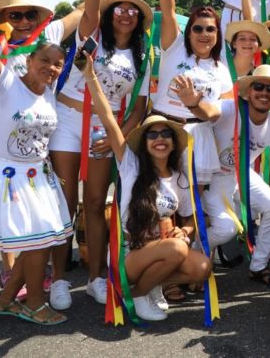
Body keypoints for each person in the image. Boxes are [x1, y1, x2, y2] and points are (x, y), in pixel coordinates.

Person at [49, 0, 152, 310]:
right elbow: (90, 11)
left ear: (139, 19)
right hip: (66, 119)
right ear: (110, 14)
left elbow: (138, 108)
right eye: (119, 8)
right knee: (64, 200)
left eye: (133, 10)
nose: (125, 14)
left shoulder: (143, 56)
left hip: (103, 128)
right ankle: (59, 278)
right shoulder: (92, 35)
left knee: (95, 202)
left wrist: (117, 137)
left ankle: (95, 278)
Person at [81, 56, 213, 321]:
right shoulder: (131, 165)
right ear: (144, 142)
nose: (159, 139)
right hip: (129, 255)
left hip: (163, 250)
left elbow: (192, 218)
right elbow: (108, 119)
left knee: (202, 267)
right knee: (176, 250)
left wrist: (185, 231)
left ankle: (149, 286)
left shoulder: (179, 177)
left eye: (165, 134)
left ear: (173, 142)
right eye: (152, 134)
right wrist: (90, 77)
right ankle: (139, 294)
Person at [184, 65, 270, 287]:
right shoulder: (229, 108)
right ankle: (190, 255)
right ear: (248, 91)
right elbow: (207, 112)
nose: (264, 92)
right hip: (210, 178)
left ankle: (258, 266)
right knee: (226, 229)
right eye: (258, 86)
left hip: (239, 175)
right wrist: (194, 104)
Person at [0, 42, 72, 325]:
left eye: (58, 64)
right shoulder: (6, 83)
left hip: (39, 176)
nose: (51, 67)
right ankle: (35, 304)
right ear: (29, 60)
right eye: (45, 60)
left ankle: (5, 300)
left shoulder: (49, 93)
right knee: (38, 243)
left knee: (40, 241)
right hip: (10, 177)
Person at [153, 0, 232, 187]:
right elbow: (169, 13)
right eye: (197, 28)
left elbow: (220, 112)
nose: (203, 34)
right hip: (162, 129)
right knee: (159, 196)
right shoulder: (175, 46)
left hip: (199, 137)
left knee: (193, 200)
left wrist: (195, 105)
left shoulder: (222, 70)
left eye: (210, 29)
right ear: (188, 33)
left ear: (217, 35)